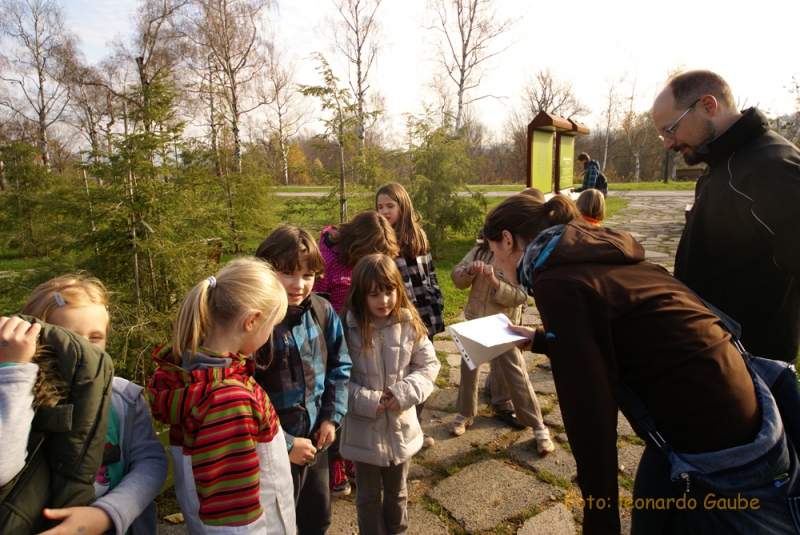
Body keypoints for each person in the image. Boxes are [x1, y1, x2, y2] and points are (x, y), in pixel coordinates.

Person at [482, 192, 799, 535]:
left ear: (508, 240)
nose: (496, 263)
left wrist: (600, 520)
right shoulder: (587, 247)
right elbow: (623, 322)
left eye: (493, 250)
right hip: (732, 396)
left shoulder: (555, 279)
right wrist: (543, 340)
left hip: (720, 441)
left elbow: (589, 410)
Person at [652, 69, 800, 364]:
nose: (668, 143)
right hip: (711, 352)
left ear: (708, 106)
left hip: (748, 363)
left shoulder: (771, 168)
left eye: (672, 129)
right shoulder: (724, 161)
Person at [147, 259, 296, 535]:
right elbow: (234, 519)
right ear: (252, 321)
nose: (269, 336)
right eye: (271, 326)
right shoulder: (228, 400)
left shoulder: (201, 375)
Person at [20, 275, 167, 535]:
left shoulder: (124, 399)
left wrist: (108, 513)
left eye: (96, 337)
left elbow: (150, 463)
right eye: (71, 338)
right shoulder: (19, 399)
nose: (85, 349)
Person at [254, 226, 352, 535]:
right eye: (288, 273)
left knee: (316, 520)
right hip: (268, 454)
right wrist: (284, 444)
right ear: (266, 270)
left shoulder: (322, 311)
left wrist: (331, 418)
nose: (299, 285)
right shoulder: (255, 324)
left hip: (314, 445)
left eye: (308, 275)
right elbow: (244, 398)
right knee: (276, 526)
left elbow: (340, 365)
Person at [338, 254, 440, 535]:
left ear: (398, 289)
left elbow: (428, 365)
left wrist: (405, 392)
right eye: (374, 294)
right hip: (363, 432)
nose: (383, 300)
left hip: (401, 428)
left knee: (398, 492)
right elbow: (336, 379)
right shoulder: (347, 328)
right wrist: (367, 401)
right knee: (367, 495)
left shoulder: (409, 323)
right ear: (360, 294)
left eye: (389, 291)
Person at [312, 210, 399, 496]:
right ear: (357, 245)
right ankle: (334, 465)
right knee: (334, 402)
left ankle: (350, 457)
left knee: (355, 401)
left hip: (359, 339)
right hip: (330, 344)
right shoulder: (325, 260)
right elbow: (315, 305)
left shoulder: (355, 259)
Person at [449, 233, 554, 453]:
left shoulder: (517, 256)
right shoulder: (479, 251)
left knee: (516, 374)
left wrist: (495, 282)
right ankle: (465, 413)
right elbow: (457, 277)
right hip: (476, 321)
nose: (488, 241)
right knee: (468, 368)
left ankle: (538, 425)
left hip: (503, 326)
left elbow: (521, 296)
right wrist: (469, 271)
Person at [376, 182, 444, 448]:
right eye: (380, 207)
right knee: (400, 375)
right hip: (399, 318)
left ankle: (415, 428)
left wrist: (437, 299)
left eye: (390, 206)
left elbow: (430, 273)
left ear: (403, 206)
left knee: (422, 372)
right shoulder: (381, 239)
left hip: (425, 316)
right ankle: (396, 430)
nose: (385, 212)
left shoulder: (418, 236)